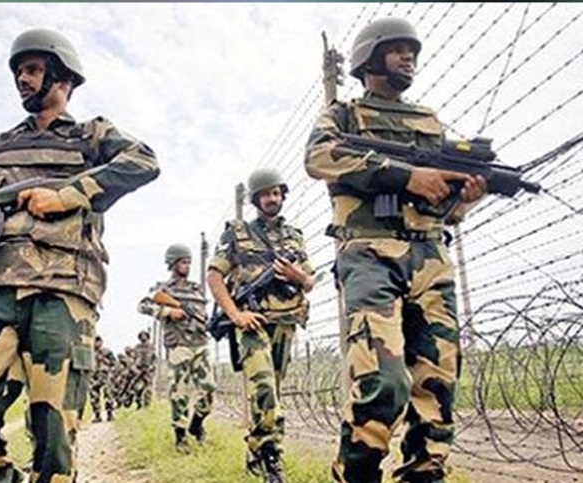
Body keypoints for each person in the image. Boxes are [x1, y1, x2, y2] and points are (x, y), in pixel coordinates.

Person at [0, 27, 159, 483]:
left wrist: (68, 194)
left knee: (55, 439)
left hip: (63, 289)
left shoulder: (91, 135)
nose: (22, 80)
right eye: (18, 73)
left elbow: (144, 162)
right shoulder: (1, 145)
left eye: (31, 70)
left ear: (62, 77)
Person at [304, 17, 487, 483]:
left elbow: (445, 210)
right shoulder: (344, 116)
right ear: (370, 58)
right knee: (382, 383)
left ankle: (424, 473)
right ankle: (356, 474)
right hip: (369, 254)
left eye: (414, 51)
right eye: (399, 49)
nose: (409, 57)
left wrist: (463, 198)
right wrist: (406, 176)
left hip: (430, 256)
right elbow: (319, 157)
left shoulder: (429, 122)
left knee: (437, 386)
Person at [207, 168, 318, 483]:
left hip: (286, 321)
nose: (272, 199)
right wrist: (235, 315)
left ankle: (256, 451)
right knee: (265, 388)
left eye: (277, 193)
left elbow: (309, 281)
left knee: (272, 394)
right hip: (251, 324)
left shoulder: (294, 236)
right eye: (266, 194)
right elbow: (214, 276)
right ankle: (271, 458)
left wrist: (297, 276)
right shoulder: (237, 233)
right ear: (256, 199)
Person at [138, 243, 215, 453]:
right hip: (179, 345)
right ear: (172, 263)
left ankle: (196, 424)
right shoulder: (164, 288)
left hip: (200, 344)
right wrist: (168, 313)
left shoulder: (196, 289)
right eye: (183, 262)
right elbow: (143, 305)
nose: (187, 266)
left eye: (189, 262)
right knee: (179, 392)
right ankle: (180, 436)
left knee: (209, 389)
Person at [87, 335, 117, 423]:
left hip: (104, 376)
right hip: (93, 376)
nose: (97, 343)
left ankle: (110, 414)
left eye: (98, 341)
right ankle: (97, 415)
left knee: (108, 395)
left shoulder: (107, 352)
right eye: (95, 341)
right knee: (94, 396)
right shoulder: (89, 352)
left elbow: (114, 363)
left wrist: (109, 369)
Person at [131, 330, 157, 409]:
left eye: (145, 335)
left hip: (148, 370)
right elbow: (133, 358)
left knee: (148, 388)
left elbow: (154, 359)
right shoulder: (137, 347)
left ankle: (147, 405)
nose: (143, 337)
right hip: (139, 369)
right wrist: (134, 368)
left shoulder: (151, 347)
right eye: (141, 336)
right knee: (137, 388)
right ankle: (139, 402)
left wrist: (152, 366)